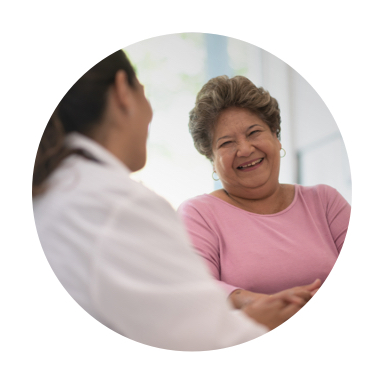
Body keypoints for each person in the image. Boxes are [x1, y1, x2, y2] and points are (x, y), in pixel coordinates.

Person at [33, 50, 312, 351]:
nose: (150, 113)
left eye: (254, 132)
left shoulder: (57, 191)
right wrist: (259, 318)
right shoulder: (119, 205)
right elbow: (200, 342)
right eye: (143, 92)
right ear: (122, 92)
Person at [178, 75, 350, 310]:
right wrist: (266, 305)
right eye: (227, 143)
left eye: (254, 133)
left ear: (276, 138)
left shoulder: (325, 202)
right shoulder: (198, 214)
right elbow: (194, 288)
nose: (245, 149)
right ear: (212, 160)